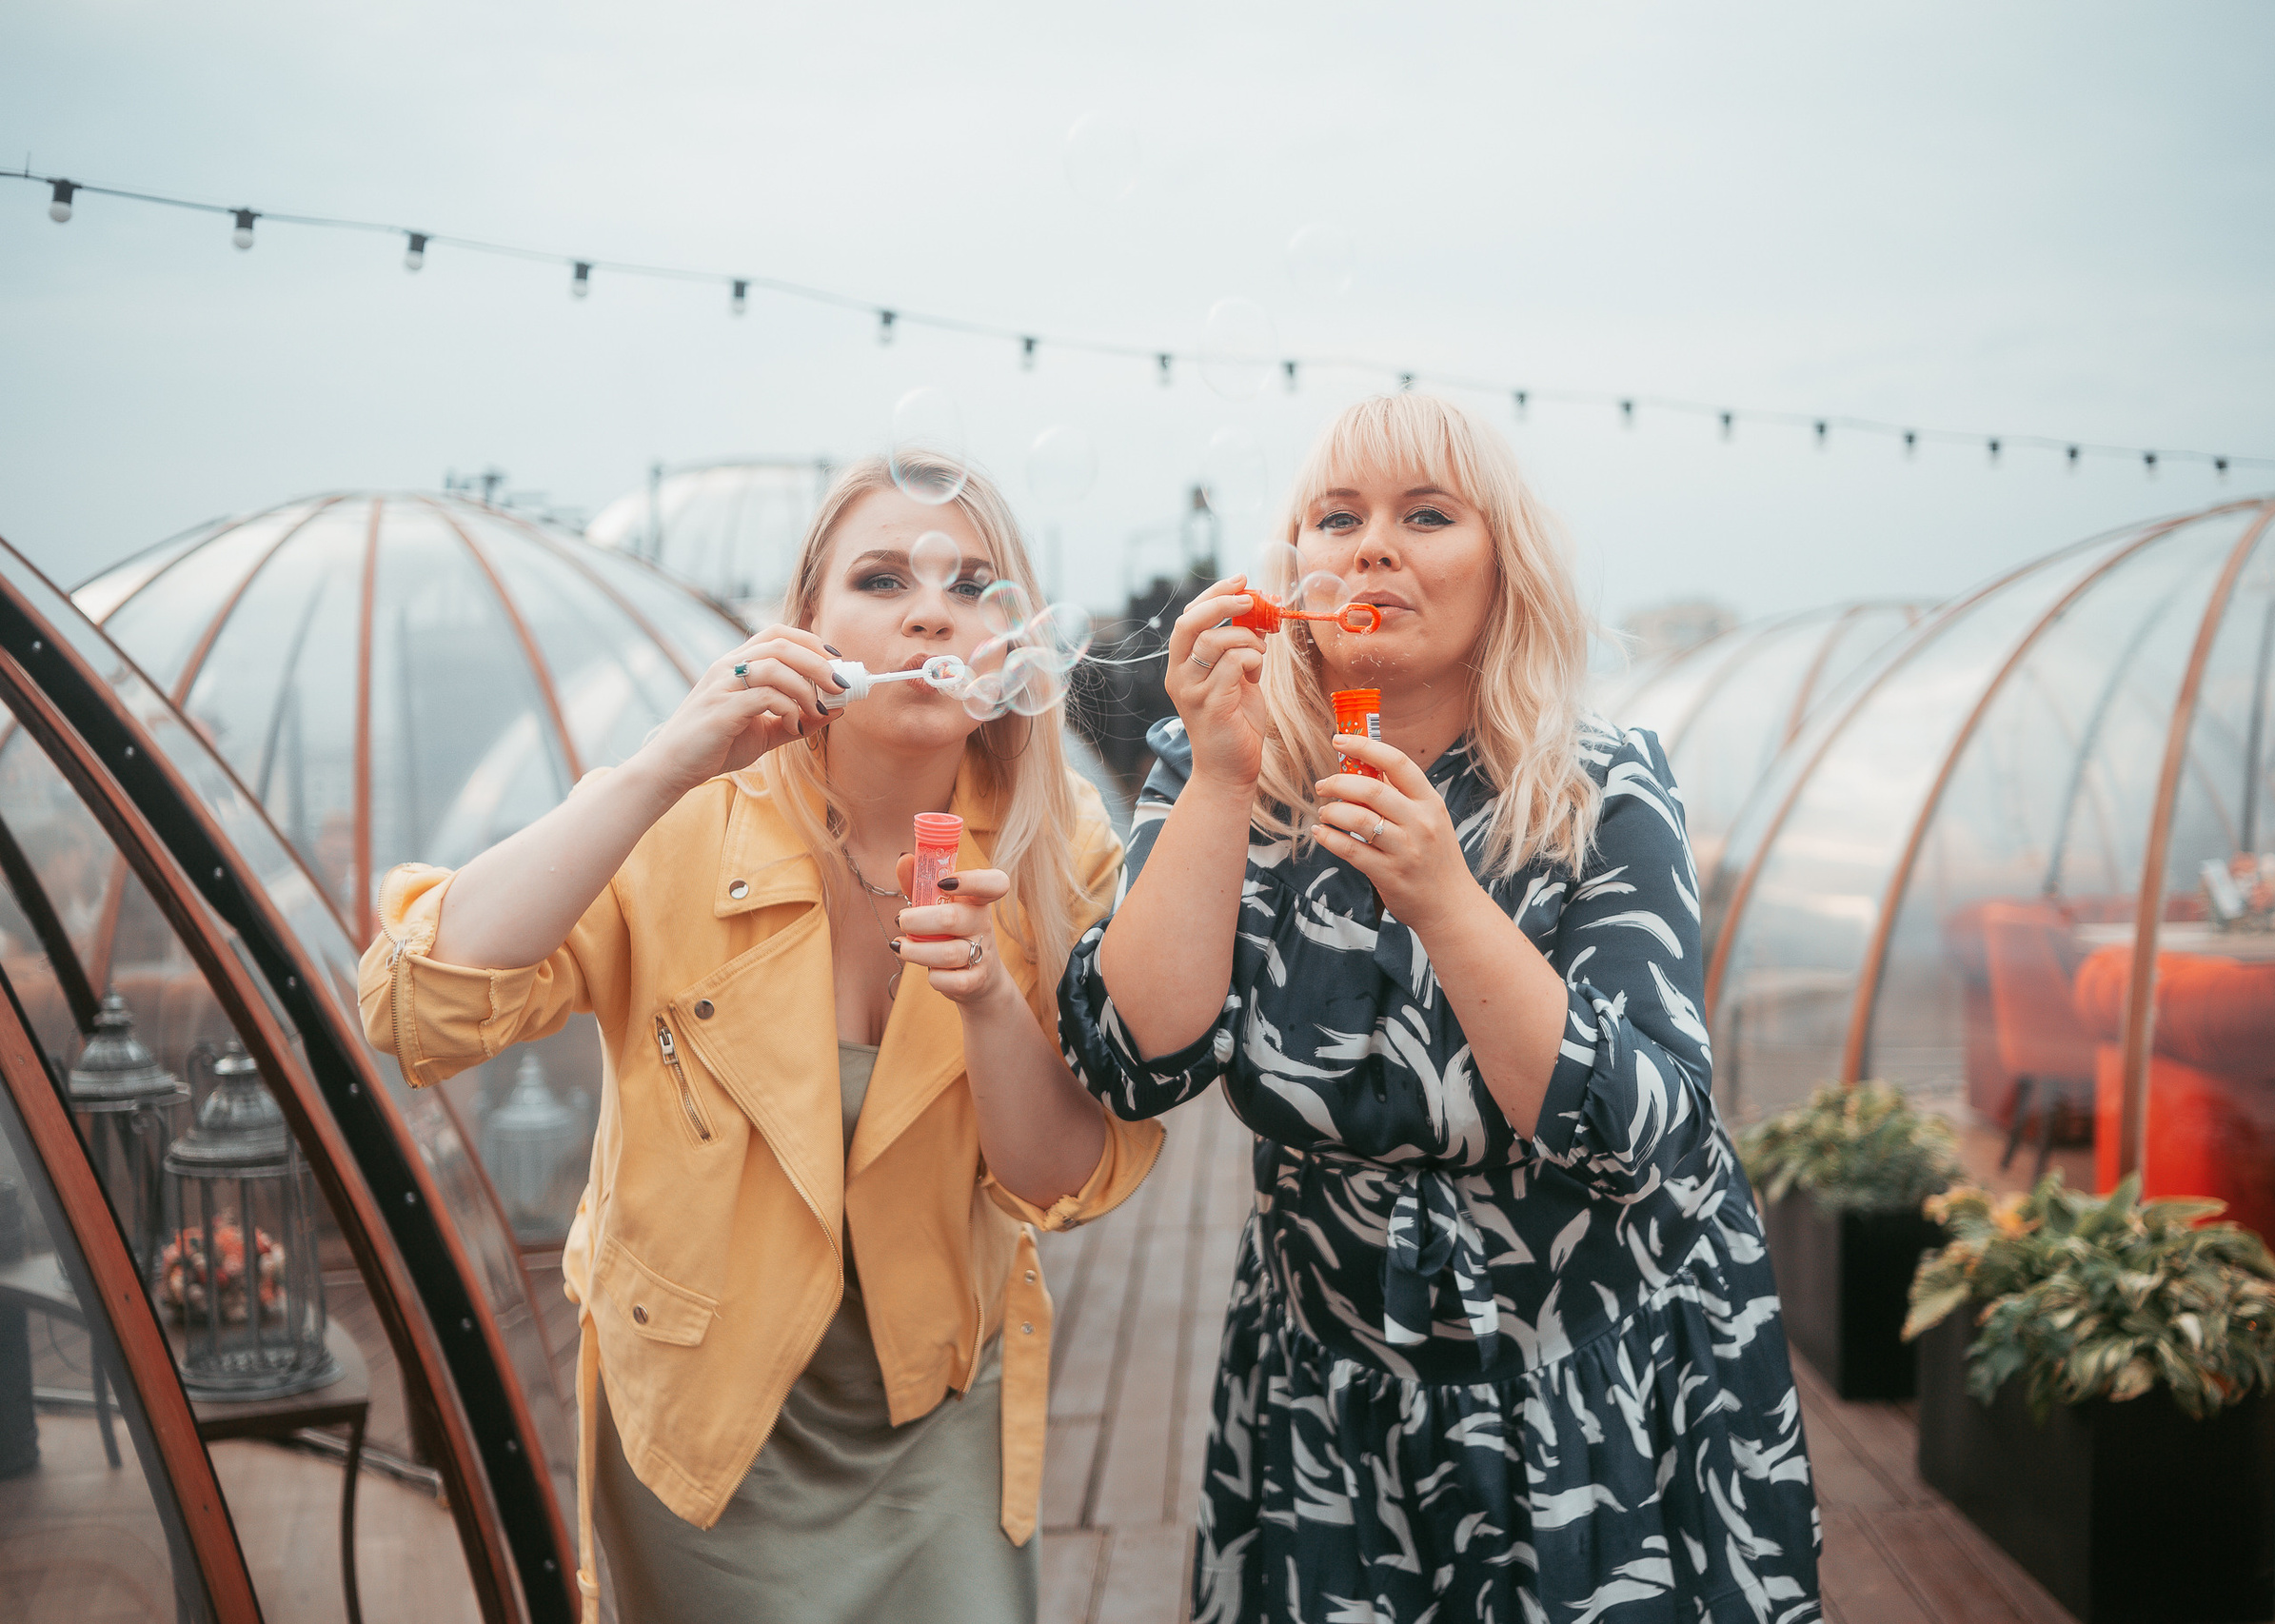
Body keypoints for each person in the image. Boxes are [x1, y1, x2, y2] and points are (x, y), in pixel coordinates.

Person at [360, 454, 1163, 1624]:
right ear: (804, 629)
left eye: (972, 585)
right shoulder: (687, 816)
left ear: (1011, 647)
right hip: (706, 1444)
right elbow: (412, 1006)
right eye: (881, 579)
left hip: (936, 1419)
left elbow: (1060, 1180)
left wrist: (989, 997)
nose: (931, 612)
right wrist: (660, 763)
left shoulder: (1056, 844)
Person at [1058, 394, 1821, 1622]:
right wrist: (1219, 776)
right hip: (1328, 1395)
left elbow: (1645, 1133)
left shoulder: (1599, 784)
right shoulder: (1223, 762)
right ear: (1292, 570)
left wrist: (1445, 898)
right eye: (1336, 518)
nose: (1372, 546)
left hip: (1592, 1390)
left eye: (1425, 515)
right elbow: (1132, 1061)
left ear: (1501, 565)